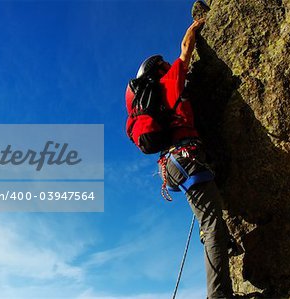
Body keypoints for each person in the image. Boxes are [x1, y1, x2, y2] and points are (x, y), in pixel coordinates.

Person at [128, 19, 236, 298]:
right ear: (159, 70)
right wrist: (193, 29)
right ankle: (219, 295)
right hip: (188, 158)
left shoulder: (154, 99)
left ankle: (224, 243)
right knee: (212, 224)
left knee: (209, 222)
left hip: (174, 164)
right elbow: (186, 50)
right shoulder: (169, 81)